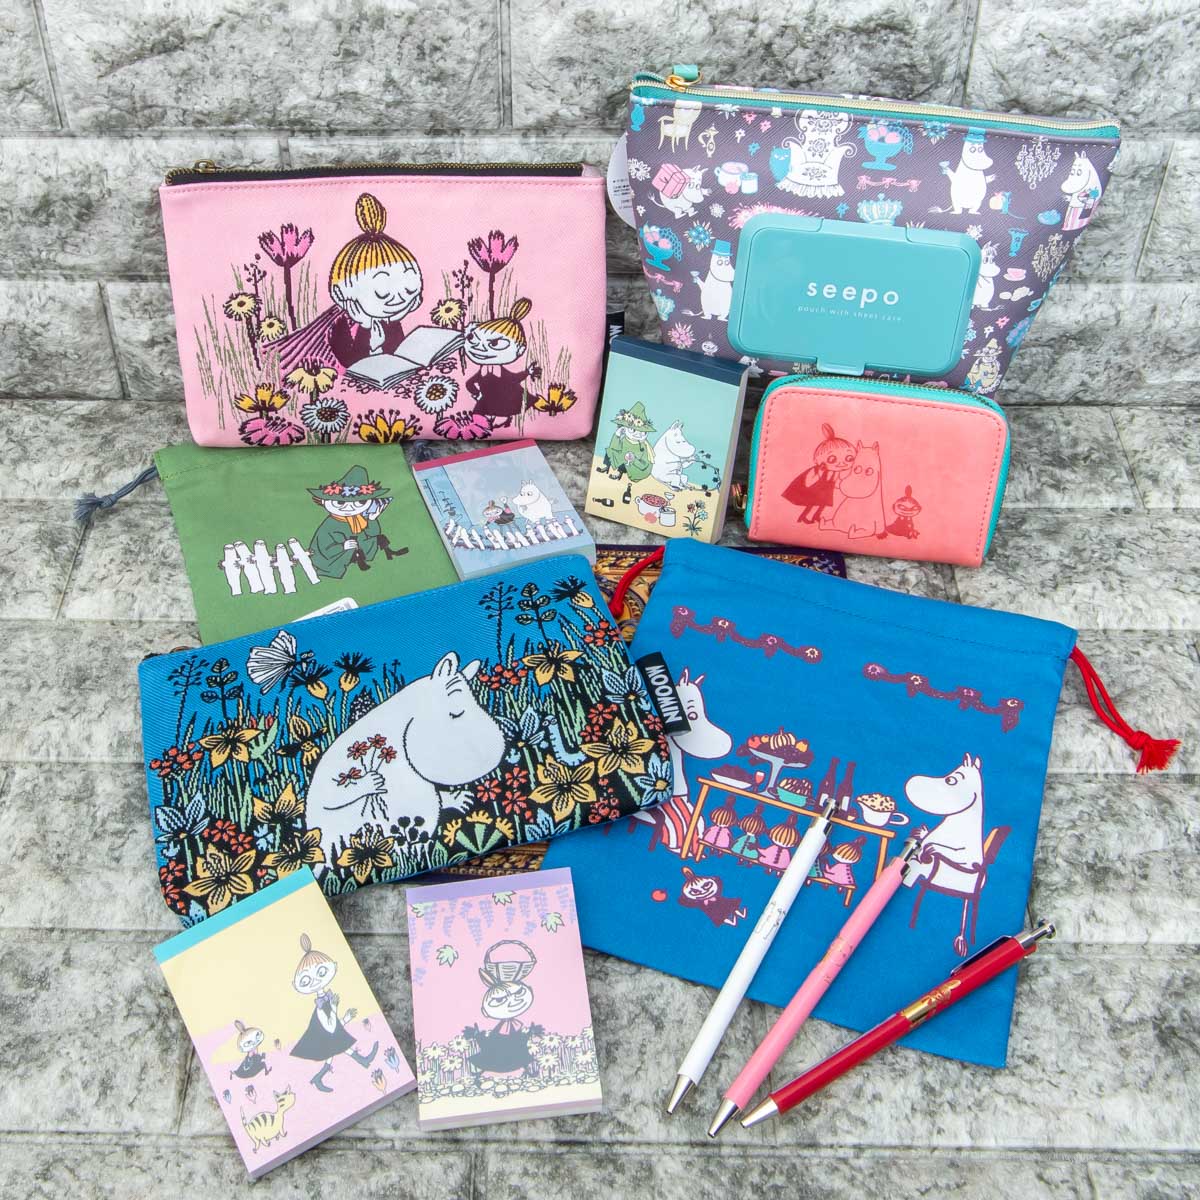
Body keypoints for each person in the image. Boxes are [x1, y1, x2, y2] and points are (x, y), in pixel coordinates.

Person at [277, 192, 423, 371]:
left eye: (409, 288)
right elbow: (348, 362)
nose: (398, 298)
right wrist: (366, 332)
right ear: (341, 293)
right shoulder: (343, 326)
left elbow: (397, 352)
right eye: (382, 292)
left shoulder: (390, 322)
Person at [306, 465, 407, 579]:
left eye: (360, 502)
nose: (349, 508)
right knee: (352, 545)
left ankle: (390, 553)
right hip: (330, 557)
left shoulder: (358, 518)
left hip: (354, 547)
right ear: (324, 501)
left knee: (377, 538)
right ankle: (360, 562)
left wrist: (372, 519)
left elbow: (372, 533)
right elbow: (323, 548)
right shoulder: (330, 524)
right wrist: (343, 546)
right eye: (340, 503)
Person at [464, 299, 534, 428]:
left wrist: (527, 372)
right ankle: (481, 426)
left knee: (501, 409)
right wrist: (477, 394)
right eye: (473, 339)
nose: (480, 348)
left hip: (505, 399)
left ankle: (499, 421)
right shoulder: (483, 370)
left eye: (494, 343)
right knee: (478, 412)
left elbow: (514, 378)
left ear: (520, 349)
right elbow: (469, 383)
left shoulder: (499, 371)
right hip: (487, 399)